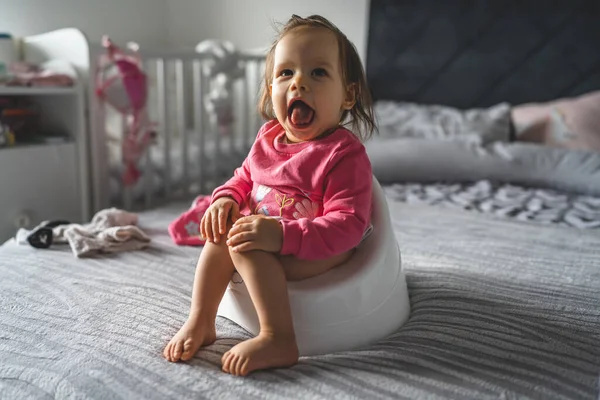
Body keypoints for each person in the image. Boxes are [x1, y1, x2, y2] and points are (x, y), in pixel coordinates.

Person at [163, 14, 376, 376]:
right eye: (286, 73)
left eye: (318, 73)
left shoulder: (342, 154)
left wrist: (281, 235)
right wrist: (225, 201)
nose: (299, 85)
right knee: (222, 237)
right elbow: (243, 178)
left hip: (318, 249)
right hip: (266, 241)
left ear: (348, 94)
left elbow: (349, 225)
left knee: (247, 243)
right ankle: (201, 321)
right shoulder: (267, 139)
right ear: (269, 90)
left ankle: (278, 337)